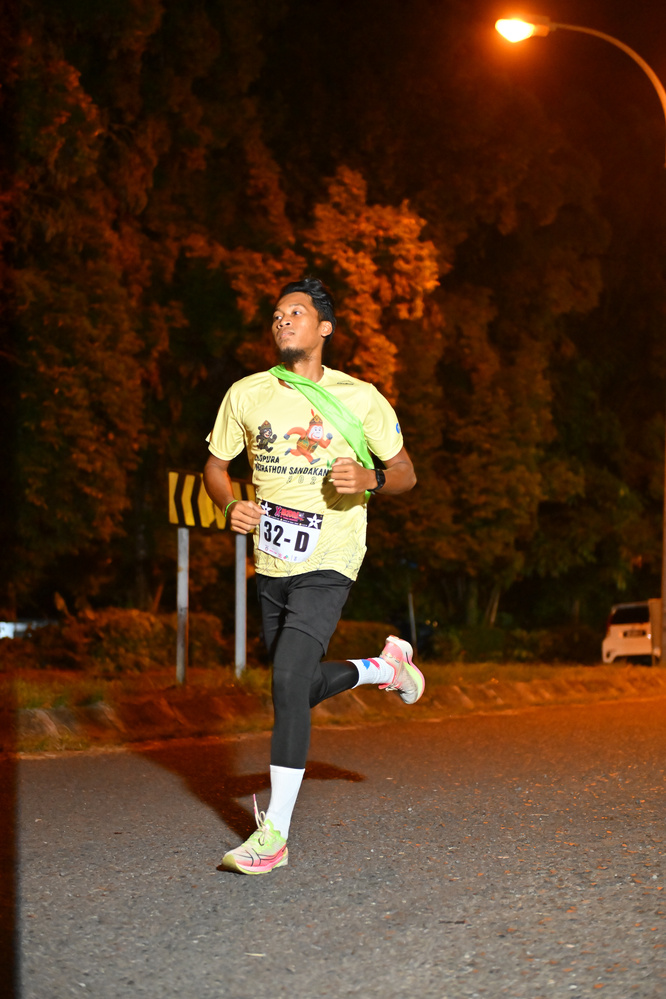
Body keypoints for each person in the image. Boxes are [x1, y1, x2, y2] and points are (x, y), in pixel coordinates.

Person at [203, 276, 423, 875]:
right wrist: (229, 504)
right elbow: (215, 468)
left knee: (288, 678)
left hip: (332, 554)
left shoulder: (361, 397)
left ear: (324, 327)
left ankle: (273, 835)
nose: (283, 320)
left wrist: (371, 479)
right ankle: (383, 668)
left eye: (296, 312)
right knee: (293, 686)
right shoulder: (247, 394)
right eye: (277, 313)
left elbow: (405, 472)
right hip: (273, 559)